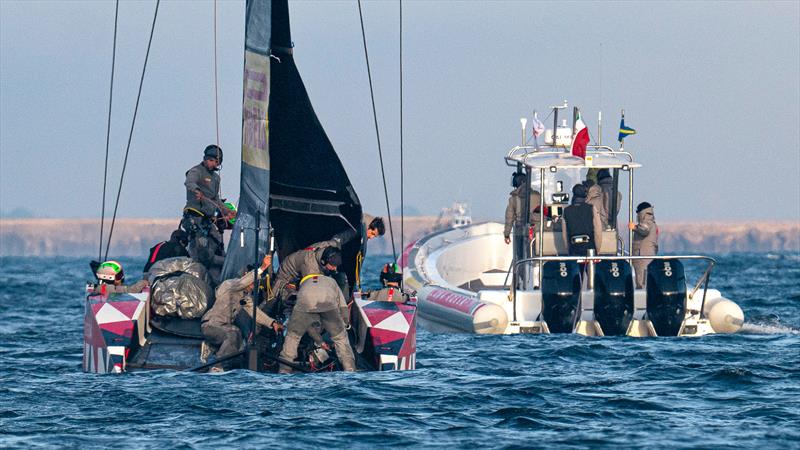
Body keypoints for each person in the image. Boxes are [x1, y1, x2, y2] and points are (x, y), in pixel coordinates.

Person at [200, 254, 283, 372]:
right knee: (232, 334)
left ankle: (215, 350)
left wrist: (272, 323)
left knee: (239, 342)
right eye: (254, 280)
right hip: (211, 325)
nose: (255, 285)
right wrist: (262, 268)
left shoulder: (245, 297)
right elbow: (241, 283)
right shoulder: (231, 285)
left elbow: (256, 313)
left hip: (225, 327)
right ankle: (217, 366)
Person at [278, 273, 356, 373]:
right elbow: (343, 307)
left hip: (305, 301)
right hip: (327, 302)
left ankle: (284, 371)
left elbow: (307, 325)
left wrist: (319, 342)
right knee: (341, 339)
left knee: (292, 338)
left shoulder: (304, 285)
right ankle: (350, 371)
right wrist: (345, 323)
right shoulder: (332, 282)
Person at [182, 145, 234, 285]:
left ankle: (219, 273)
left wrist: (227, 211)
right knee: (200, 248)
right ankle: (196, 277)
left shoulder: (216, 178)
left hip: (207, 220)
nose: (213, 164)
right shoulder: (196, 171)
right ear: (205, 159)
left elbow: (215, 199)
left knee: (216, 241)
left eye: (216, 162)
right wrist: (196, 190)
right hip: (195, 217)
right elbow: (189, 182)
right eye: (211, 160)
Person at [504, 172, 542, 261]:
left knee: (520, 258)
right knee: (535, 253)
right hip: (536, 230)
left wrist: (506, 234)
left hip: (520, 231)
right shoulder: (537, 195)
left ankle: (522, 272)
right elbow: (544, 211)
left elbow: (509, 218)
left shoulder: (513, 199)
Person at [561, 184, 603, 256]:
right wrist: (597, 249)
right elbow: (598, 230)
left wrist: (568, 249)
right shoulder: (591, 208)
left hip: (574, 247)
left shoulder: (566, 210)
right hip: (589, 247)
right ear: (585, 194)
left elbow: (564, 234)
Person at [629, 202, 659, 289]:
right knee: (645, 277)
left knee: (642, 279)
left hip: (643, 255)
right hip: (648, 254)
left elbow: (644, 230)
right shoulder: (652, 222)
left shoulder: (647, 222)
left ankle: (642, 295)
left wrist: (634, 227)